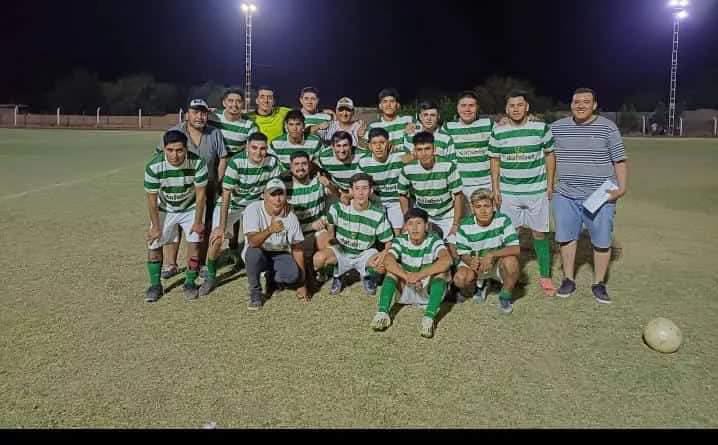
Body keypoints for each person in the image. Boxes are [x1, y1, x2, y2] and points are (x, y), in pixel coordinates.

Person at [550, 88, 629, 304]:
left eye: (586, 102)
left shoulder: (607, 127)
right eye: (576, 102)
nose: (581, 105)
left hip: (600, 193)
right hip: (565, 192)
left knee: (602, 240)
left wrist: (621, 188)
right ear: (571, 105)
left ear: (594, 105)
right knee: (566, 238)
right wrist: (503, 122)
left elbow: (619, 160)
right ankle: (568, 279)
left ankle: (599, 283)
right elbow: (533, 134)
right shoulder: (558, 128)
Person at [489, 90, 557, 297]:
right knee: (511, 234)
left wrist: (550, 183)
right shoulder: (498, 131)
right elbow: (495, 160)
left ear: (527, 107)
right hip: (509, 192)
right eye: (512, 105)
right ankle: (508, 275)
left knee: (539, 233)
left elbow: (549, 155)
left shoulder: (540, 128)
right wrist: (495, 188)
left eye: (520, 105)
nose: (516, 109)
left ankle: (545, 276)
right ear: (506, 108)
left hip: (536, 190)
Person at [200, 132, 283, 297]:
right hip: (232, 204)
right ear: (247, 147)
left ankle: (261, 269)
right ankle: (210, 275)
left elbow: (271, 192)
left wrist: (272, 217)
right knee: (217, 239)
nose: (258, 152)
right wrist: (222, 227)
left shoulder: (272, 162)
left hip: (254, 205)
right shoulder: (236, 162)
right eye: (254, 148)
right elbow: (226, 196)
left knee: (259, 242)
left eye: (262, 149)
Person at [160, 99, 228, 278]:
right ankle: (170, 264)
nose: (199, 116)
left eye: (203, 113)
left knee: (203, 226)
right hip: (180, 187)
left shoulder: (214, 133)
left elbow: (222, 157)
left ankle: (201, 263)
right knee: (174, 226)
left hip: (208, 187)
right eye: (195, 112)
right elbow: (162, 156)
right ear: (187, 114)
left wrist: (219, 180)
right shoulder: (175, 132)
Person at [144, 130, 208, 302]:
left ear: (186, 149)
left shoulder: (197, 163)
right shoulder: (153, 166)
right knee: (154, 244)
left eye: (179, 150)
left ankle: (189, 282)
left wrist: (198, 222)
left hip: (190, 207)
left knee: (194, 243)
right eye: (170, 150)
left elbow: (201, 195)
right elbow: (151, 199)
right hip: (165, 209)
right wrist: (156, 226)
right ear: (164, 149)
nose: (175, 155)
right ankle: (155, 285)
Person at [370, 208, 452, 339]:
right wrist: (407, 276)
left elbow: (447, 260)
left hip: (426, 289)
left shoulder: (433, 239)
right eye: (410, 223)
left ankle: (428, 318)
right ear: (405, 227)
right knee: (391, 272)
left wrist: (419, 275)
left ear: (426, 226)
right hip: (406, 286)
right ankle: (382, 313)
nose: (414, 228)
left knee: (442, 274)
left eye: (419, 223)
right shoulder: (401, 240)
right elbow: (388, 260)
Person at [312, 173, 393, 296]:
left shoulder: (378, 214)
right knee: (318, 259)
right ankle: (337, 274)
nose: (361, 193)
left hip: (364, 253)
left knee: (383, 263)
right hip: (342, 250)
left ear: (371, 190)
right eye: (357, 188)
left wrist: (383, 254)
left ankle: (368, 277)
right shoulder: (339, 207)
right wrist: (320, 225)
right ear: (351, 191)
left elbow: (389, 242)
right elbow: (326, 222)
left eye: (365, 188)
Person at [242, 178, 308, 309]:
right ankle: (255, 291)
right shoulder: (253, 209)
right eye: (273, 194)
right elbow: (252, 242)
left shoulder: (291, 217)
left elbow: (297, 249)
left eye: (280, 194)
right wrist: (270, 230)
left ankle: (272, 278)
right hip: (258, 251)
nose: (277, 199)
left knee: (293, 275)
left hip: (279, 253)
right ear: (264, 196)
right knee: (253, 253)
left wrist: (302, 282)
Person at [454, 189, 521, 315]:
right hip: (477, 263)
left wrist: (492, 255)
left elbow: (515, 248)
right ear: (473, 208)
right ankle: (479, 286)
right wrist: (471, 261)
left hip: (495, 263)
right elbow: (463, 253)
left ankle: (505, 296)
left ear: (493, 206)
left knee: (511, 261)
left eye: (487, 206)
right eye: (478, 207)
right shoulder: (464, 225)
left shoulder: (503, 220)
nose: (483, 210)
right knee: (460, 279)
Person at [398, 131, 463, 258]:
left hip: (447, 214)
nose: (424, 153)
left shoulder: (448, 166)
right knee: (415, 248)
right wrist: (407, 220)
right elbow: (402, 195)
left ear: (434, 149)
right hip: (423, 215)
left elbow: (458, 196)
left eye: (427, 149)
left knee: (453, 251)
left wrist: (455, 224)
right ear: (414, 151)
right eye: (420, 149)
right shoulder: (407, 169)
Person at [283, 151, 334, 293]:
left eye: (304, 164)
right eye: (296, 164)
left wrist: (329, 185)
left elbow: (337, 198)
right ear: (290, 166)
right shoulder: (284, 188)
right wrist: (309, 225)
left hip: (317, 231)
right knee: (292, 272)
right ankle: (307, 271)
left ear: (309, 165)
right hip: (296, 234)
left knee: (330, 247)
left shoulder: (318, 181)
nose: (300, 168)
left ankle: (322, 269)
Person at [441, 91, 493, 202]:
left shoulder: (489, 124)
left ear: (477, 107)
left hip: (486, 183)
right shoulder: (448, 127)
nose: (467, 109)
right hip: (460, 185)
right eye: (463, 105)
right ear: (457, 108)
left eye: (471, 105)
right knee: (464, 219)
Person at [358, 128, 409, 235]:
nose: (378, 147)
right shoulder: (364, 162)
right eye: (374, 143)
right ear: (370, 146)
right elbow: (359, 186)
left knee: (398, 233)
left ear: (388, 144)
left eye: (382, 142)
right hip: (375, 201)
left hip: (395, 201)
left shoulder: (399, 159)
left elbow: (415, 156)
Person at [208, 88, 259, 155]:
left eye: (239, 101)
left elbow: (252, 152)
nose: (234, 105)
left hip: (234, 162)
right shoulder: (212, 116)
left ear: (243, 104)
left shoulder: (250, 126)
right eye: (230, 101)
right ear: (224, 103)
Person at [315, 131, 361, 203]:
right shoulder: (324, 156)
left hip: (359, 190)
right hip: (338, 190)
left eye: (345, 145)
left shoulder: (361, 156)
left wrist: (350, 196)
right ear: (332, 147)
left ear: (351, 146)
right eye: (338, 146)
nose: (342, 150)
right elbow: (316, 167)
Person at [365, 88, 414, 153]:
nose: (388, 105)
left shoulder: (409, 120)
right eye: (385, 101)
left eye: (392, 101)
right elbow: (367, 147)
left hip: (406, 161)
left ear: (398, 105)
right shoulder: (373, 126)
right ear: (380, 106)